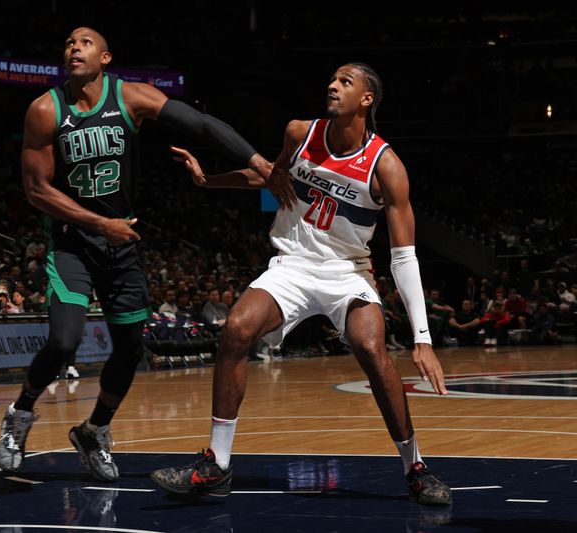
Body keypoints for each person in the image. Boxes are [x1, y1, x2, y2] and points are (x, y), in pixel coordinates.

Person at [0, 26, 286, 481]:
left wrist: (258, 162)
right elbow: (36, 190)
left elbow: (204, 125)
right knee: (64, 342)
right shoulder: (45, 110)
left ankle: (94, 430)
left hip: (121, 242)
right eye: (69, 42)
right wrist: (97, 223)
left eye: (85, 42)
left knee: (131, 348)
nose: (74, 47)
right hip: (73, 241)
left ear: (106, 57)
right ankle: (19, 416)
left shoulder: (131, 97)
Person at [150, 63, 452, 506]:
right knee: (236, 328)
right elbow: (269, 178)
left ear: (367, 99)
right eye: (331, 79)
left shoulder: (386, 166)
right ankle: (217, 464)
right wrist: (209, 180)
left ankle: (415, 467)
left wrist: (423, 338)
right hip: (292, 265)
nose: (332, 85)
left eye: (346, 82)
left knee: (371, 349)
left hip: (347, 272)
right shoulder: (300, 133)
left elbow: (403, 256)